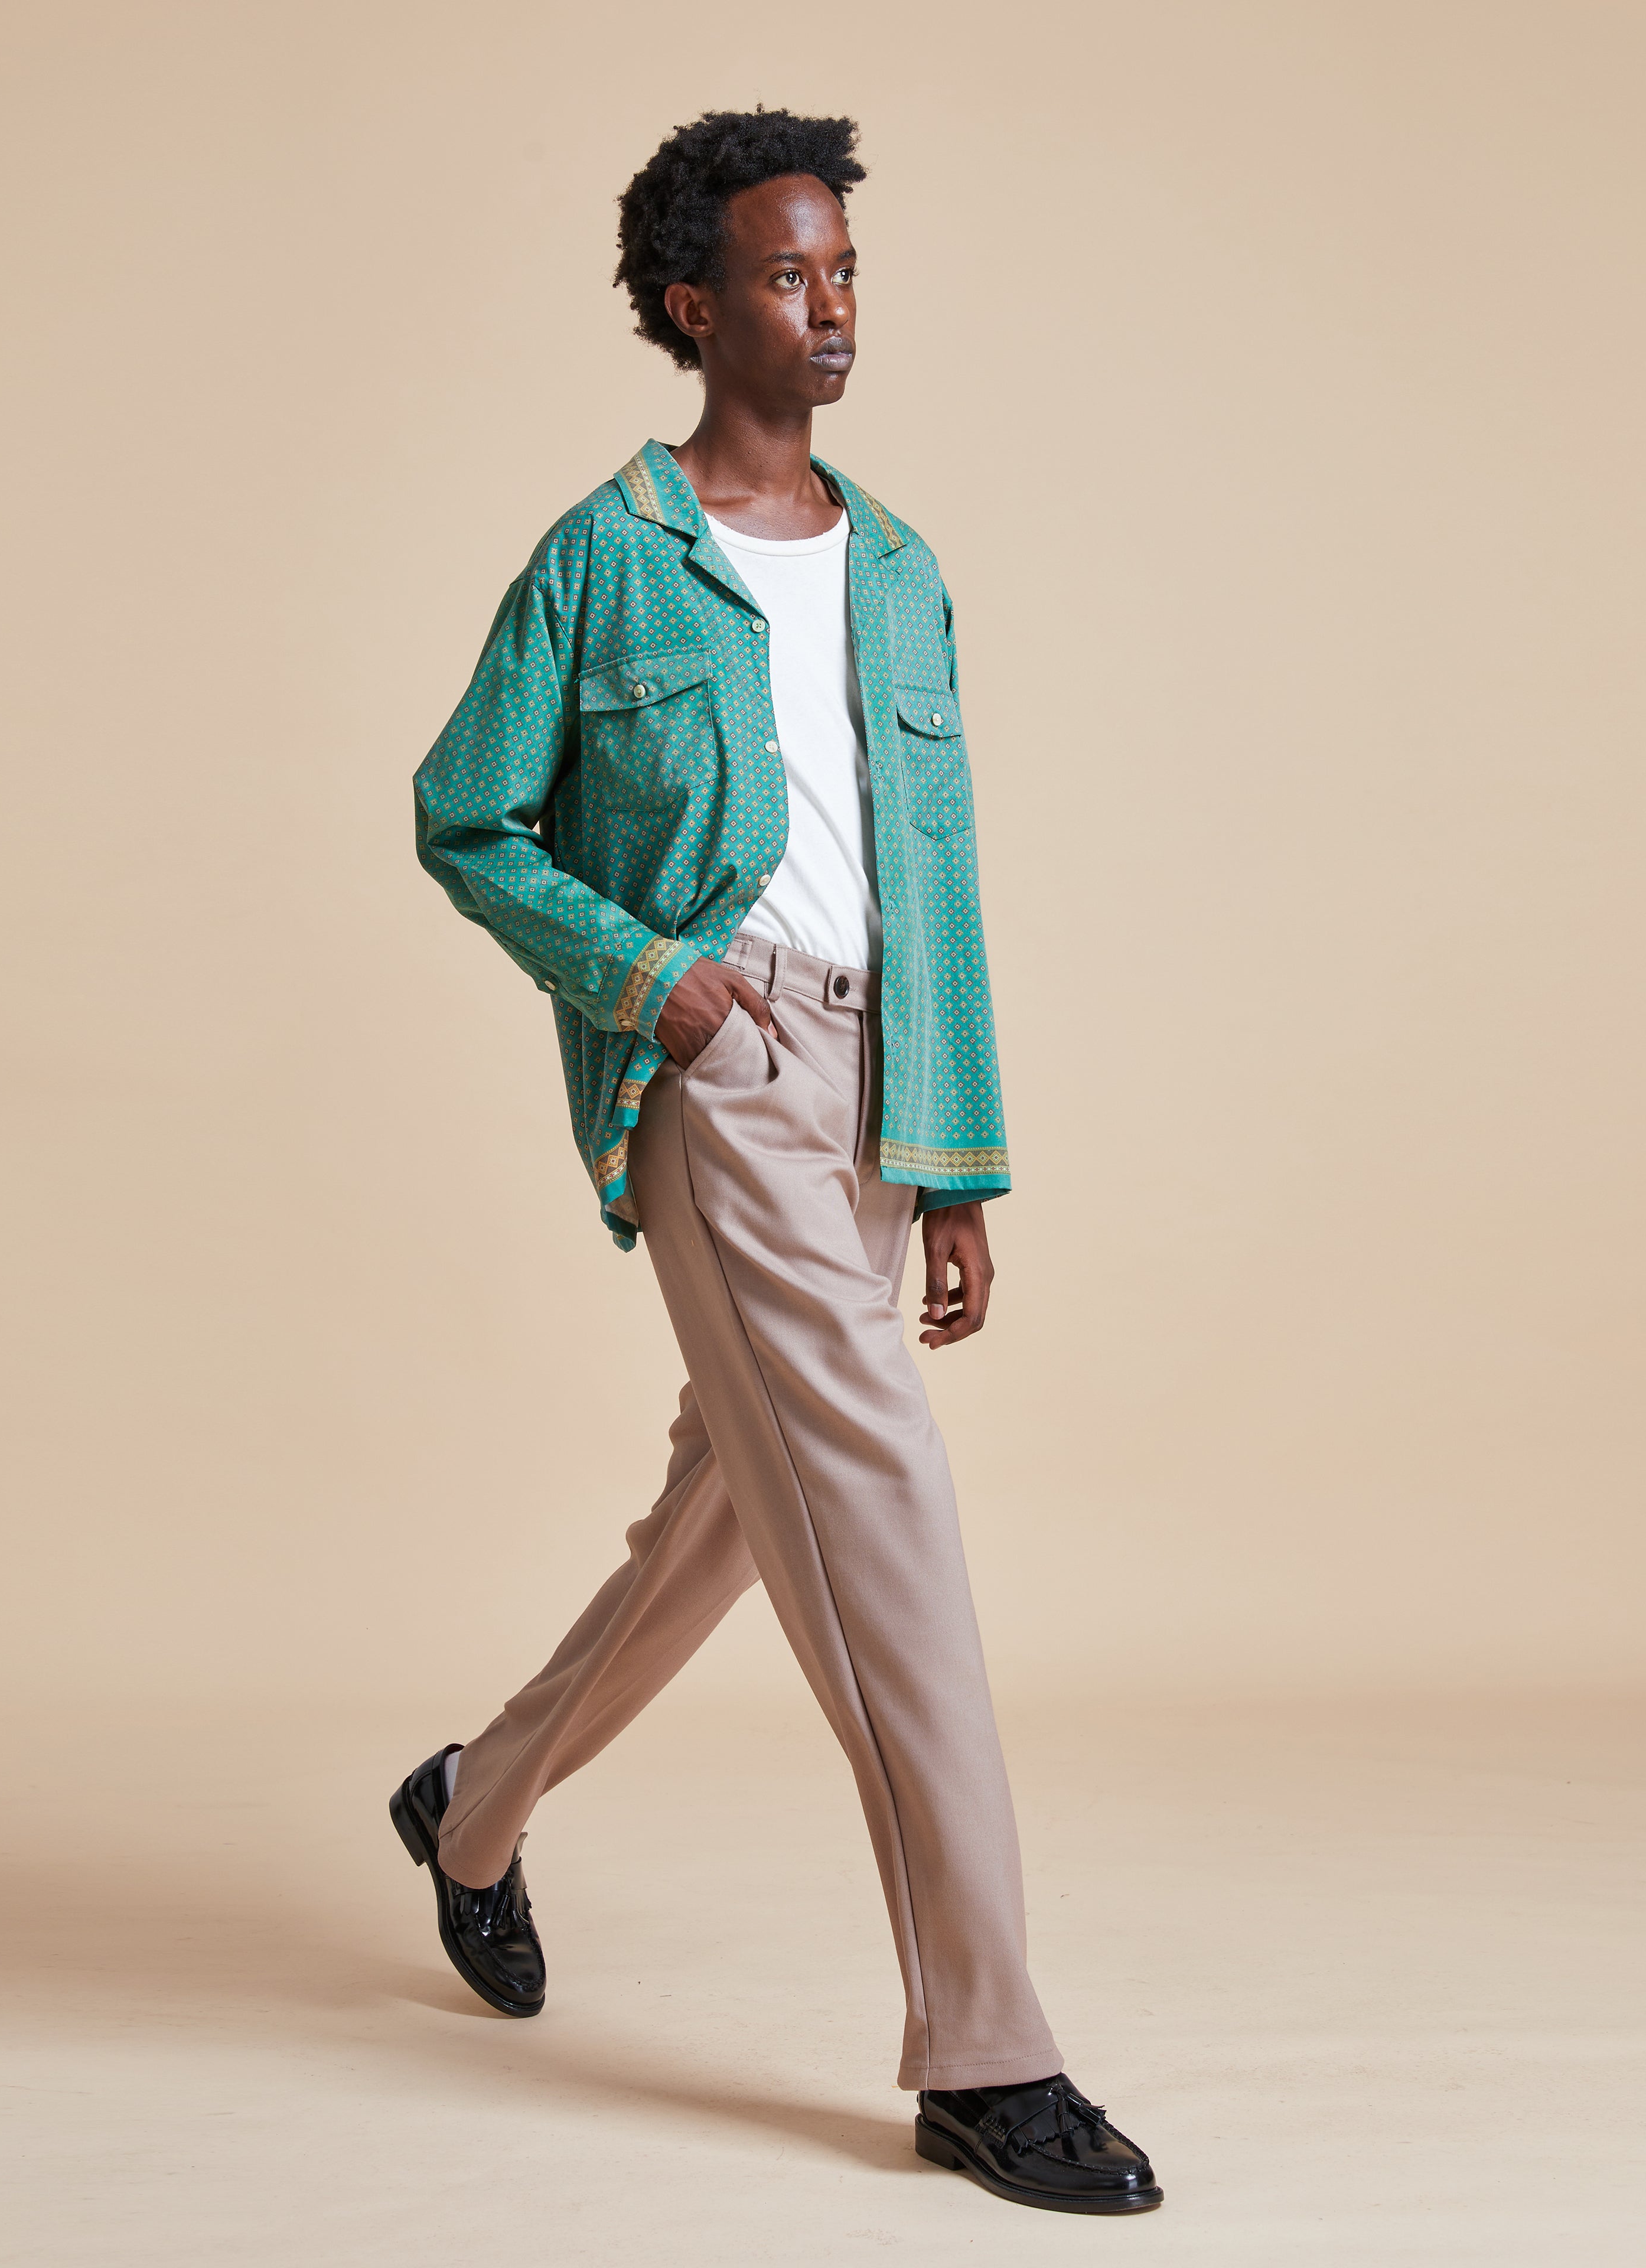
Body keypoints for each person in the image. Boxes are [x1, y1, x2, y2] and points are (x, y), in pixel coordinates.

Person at [391, 107, 1162, 2217]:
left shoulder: (899, 564)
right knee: (887, 1513)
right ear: (690, 304)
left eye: (847, 277)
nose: (831, 310)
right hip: (719, 1073)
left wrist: (968, 1155)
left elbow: (940, 872)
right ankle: (988, 2053)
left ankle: (473, 1805)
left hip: (880, 1091)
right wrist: (652, 979)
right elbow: (470, 816)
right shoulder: (605, 556)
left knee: (733, 1518)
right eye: (791, 277)